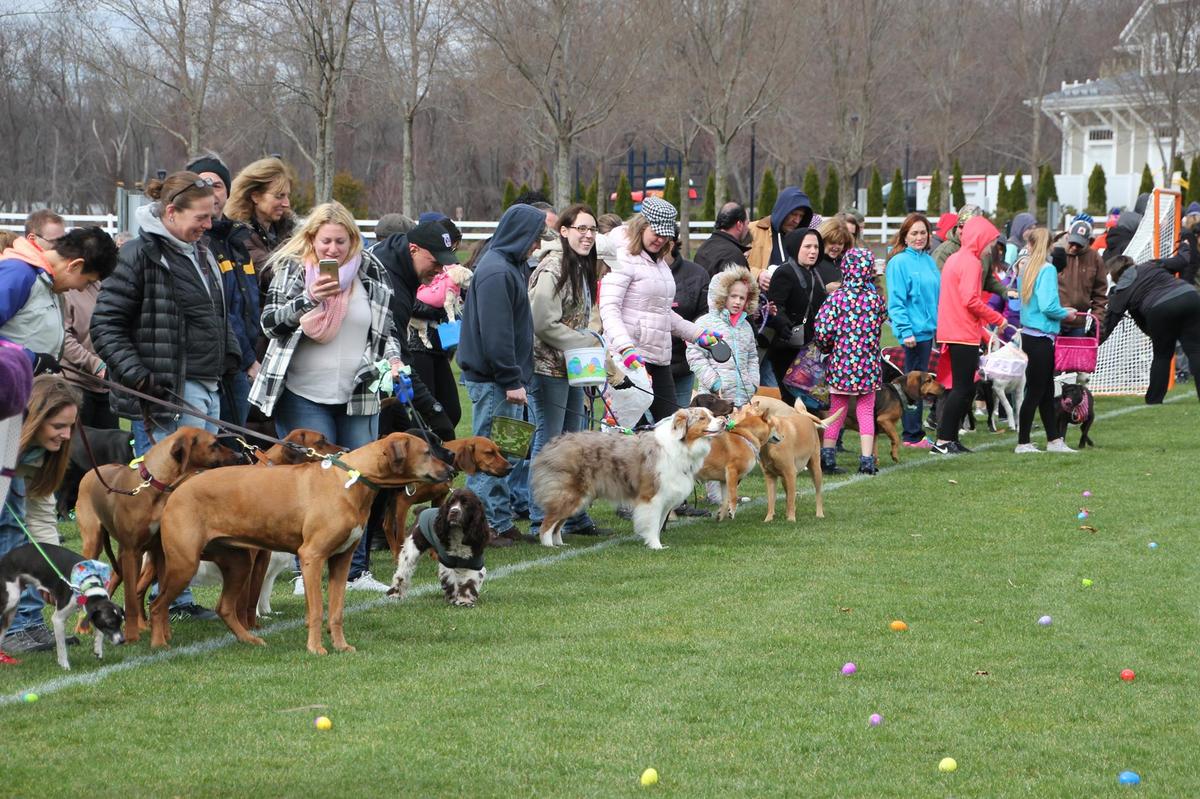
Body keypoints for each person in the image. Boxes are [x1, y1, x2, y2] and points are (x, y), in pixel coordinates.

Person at [91, 172, 240, 620]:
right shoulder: (138, 255)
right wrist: (139, 377)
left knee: (197, 495)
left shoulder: (201, 252)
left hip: (206, 387)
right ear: (170, 213)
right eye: (200, 217)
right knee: (163, 500)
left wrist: (230, 354)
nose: (208, 226)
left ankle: (178, 589)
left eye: (212, 217)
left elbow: (215, 313)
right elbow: (106, 326)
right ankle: (173, 598)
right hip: (165, 397)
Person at [250, 202, 402, 591]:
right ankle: (308, 570)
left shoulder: (372, 270)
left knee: (364, 479)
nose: (332, 249)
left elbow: (386, 328)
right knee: (316, 481)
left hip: (359, 392)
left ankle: (357, 570)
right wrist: (309, 298)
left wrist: (394, 360)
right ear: (311, 240)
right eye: (325, 242)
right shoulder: (292, 270)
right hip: (302, 391)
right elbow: (269, 323)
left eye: (340, 241)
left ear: (353, 240)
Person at [457, 203, 546, 542]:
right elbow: (497, 334)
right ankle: (474, 524)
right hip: (496, 382)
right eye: (534, 239)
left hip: (501, 380)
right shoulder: (497, 272)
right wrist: (511, 378)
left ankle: (497, 521)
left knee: (502, 454)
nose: (536, 246)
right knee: (488, 457)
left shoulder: (506, 266)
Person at [527, 203, 604, 539]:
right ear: (564, 231)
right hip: (547, 367)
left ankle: (572, 514)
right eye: (581, 229)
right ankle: (538, 515)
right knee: (550, 444)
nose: (587, 235)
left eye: (592, 230)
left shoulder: (582, 266)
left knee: (575, 442)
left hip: (573, 367)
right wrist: (584, 340)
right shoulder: (553, 267)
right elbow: (542, 322)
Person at [598, 197, 713, 423]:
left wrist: (698, 334)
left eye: (665, 234)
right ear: (641, 225)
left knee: (670, 427)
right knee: (627, 427)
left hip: (658, 357)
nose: (660, 239)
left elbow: (662, 313)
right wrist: (625, 347)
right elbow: (609, 308)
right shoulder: (622, 258)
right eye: (655, 232)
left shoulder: (659, 264)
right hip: (628, 359)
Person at [0, 376, 80, 656]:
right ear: (34, 418)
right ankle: (14, 626)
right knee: (10, 530)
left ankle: (29, 622)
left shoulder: (41, 454)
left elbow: (42, 518)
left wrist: (54, 575)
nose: (67, 435)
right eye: (58, 426)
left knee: (20, 532)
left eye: (70, 426)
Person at [369, 220, 459, 442]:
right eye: (436, 262)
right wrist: (432, 410)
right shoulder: (391, 282)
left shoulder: (401, 260)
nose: (439, 271)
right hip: (371, 375)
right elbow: (396, 348)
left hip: (388, 368)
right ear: (413, 249)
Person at [188, 154, 260, 426]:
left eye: (216, 184)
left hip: (239, 369)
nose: (210, 191)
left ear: (228, 193)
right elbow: (219, 311)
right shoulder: (192, 244)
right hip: (209, 367)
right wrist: (249, 358)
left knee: (234, 451)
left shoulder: (239, 242)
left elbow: (248, 308)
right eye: (201, 183)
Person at [932, 216, 1009, 455]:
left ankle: (949, 439)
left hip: (953, 329)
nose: (990, 248)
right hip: (962, 332)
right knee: (963, 388)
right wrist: (997, 319)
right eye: (989, 242)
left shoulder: (955, 259)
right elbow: (970, 300)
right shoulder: (972, 263)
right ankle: (944, 440)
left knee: (959, 387)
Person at [1, 226, 118, 371]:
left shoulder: (49, 284)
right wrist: (31, 359)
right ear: (75, 265)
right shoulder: (19, 274)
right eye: (88, 281)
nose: (82, 289)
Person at [814, 249, 888, 474]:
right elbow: (880, 323)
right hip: (868, 365)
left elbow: (822, 330)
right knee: (865, 411)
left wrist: (827, 348)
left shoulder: (836, 298)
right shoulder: (875, 299)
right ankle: (867, 460)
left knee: (837, 409)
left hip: (841, 364)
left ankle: (827, 458)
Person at [1102, 255, 1200, 404]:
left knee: (1162, 356)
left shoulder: (1121, 290)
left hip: (1159, 307)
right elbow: (1180, 261)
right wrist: (1185, 245)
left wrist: (1091, 340)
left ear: (1115, 274)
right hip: (1189, 295)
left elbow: (1108, 324)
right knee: (1195, 350)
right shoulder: (1151, 265)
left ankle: (1154, 399)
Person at [1014, 228, 1078, 453]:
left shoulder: (1026, 268)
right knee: (1037, 390)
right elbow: (1048, 306)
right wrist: (1066, 313)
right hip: (1042, 338)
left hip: (1030, 335)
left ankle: (1054, 439)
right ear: (1050, 245)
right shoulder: (1047, 269)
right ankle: (1023, 442)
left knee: (1045, 390)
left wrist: (1060, 310)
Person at [885, 213, 940, 448]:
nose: (919, 237)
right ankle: (911, 435)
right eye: (914, 233)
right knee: (912, 387)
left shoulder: (928, 261)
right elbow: (896, 301)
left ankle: (914, 432)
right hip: (912, 335)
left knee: (921, 385)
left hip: (928, 332)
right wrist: (905, 330)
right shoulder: (898, 263)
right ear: (905, 236)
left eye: (923, 232)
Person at [766, 227, 827, 408]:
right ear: (795, 247)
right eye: (807, 246)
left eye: (816, 247)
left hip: (810, 349)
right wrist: (787, 326)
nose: (813, 251)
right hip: (788, 348)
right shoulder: (785, 272)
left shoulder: (815, 273)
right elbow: (775, 306)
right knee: (792, 403)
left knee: (811, 403)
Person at [686, 265, 760, 406]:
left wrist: (753, 383)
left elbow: (752, 357)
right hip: (714, 400)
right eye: (733, 296)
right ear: (722, 295)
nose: (737, 302)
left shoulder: (746, 327)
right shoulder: (704, 323)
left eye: (742, 298)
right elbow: (695, 355)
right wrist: (715, 383)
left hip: (743, 399)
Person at [225, 157, 297, 292]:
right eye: (279, 196)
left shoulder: (288, 228)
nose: (286, 203)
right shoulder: (239, 234)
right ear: (255, 196)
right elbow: (267, 271)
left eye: (287, 196)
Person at [665, 232, 711, 410]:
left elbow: (704, 315)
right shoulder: (643, 271)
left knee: (680, 419)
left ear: (672, 243)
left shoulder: (697, 274)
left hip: (684, 363)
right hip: (649, 364)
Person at [1053, 217, 1108, 337]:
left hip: (1079, 323)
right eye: (1072, 242)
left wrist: (1097, 319)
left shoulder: (1095, 258)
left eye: (1079, 244)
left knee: (1076, 356)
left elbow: (1100, 294)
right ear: (1068, 235)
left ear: (1089, 241)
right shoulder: (1055, 253)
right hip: (1054, 322)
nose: (1074, 247)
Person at [747, 187, 814, 277]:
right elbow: (733, 266)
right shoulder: (752, 230)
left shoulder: (800, 240)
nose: (797, 221)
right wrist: (758, 275)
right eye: (794, 214)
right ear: (782, 210)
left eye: (801, 216)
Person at [694, 202, 750, 276]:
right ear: (739, 225)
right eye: (747, 223)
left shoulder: (702, 249)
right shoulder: (734, 256)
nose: (748, 228)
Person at [816, 215, 853, 292]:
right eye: (832, 242)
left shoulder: (847, 262)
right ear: (823, 240)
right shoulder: (813, 262)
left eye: (840, 243)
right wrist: (824, 289)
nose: (836, 247)